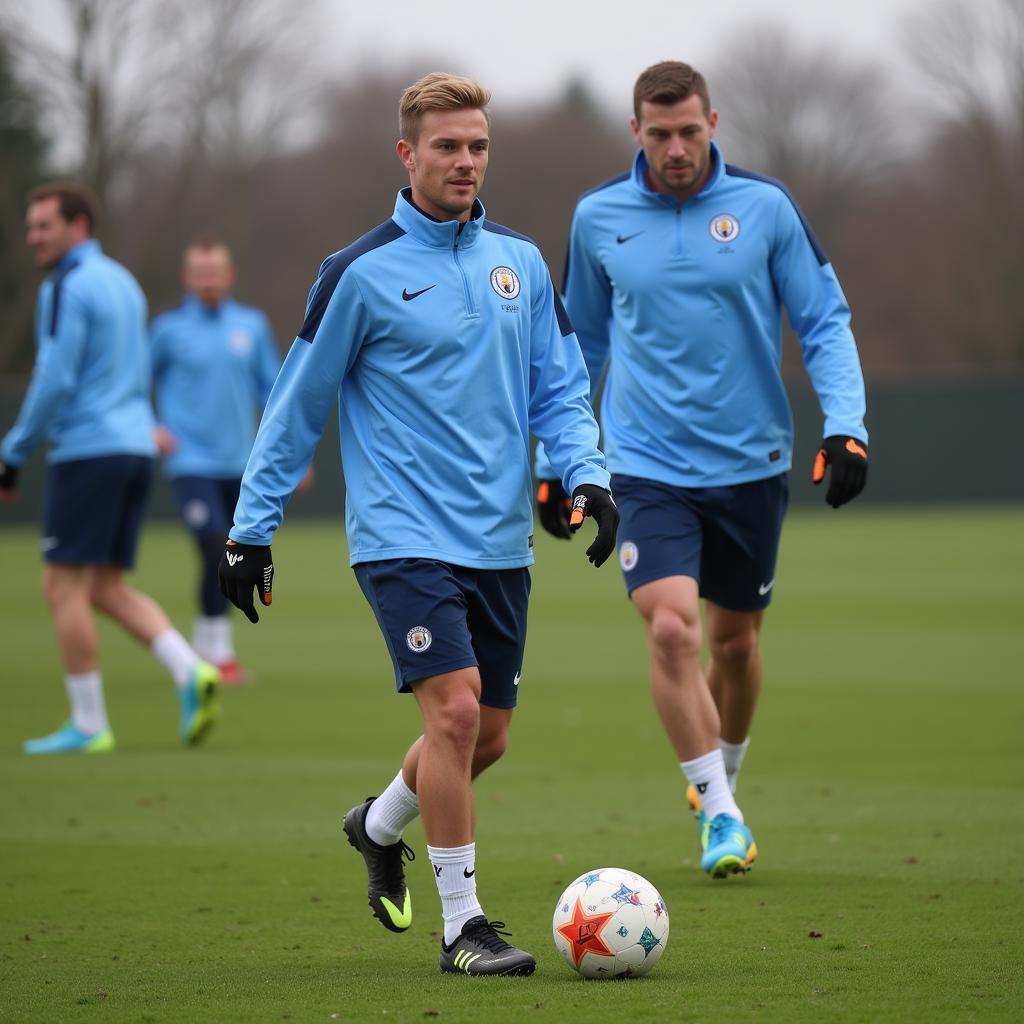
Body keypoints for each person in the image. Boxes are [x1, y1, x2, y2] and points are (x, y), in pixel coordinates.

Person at [217, 73, 618, 975]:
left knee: (489, 735)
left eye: (477, 145)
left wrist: (585, 477)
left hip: (500, 540)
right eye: (447, 146)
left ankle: (377, 824)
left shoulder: (519, 260)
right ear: (408, 154)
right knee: (458, 713)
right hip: (400, 538)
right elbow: (294, 408)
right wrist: (250, 530)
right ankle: (463, 927)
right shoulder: (357, 273)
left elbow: (558, 388)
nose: (466, 160)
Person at [535, 61, 868, 879]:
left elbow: (823, 320)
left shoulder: (765, 208)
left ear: (713, 122)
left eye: (689, 131)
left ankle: (725, 775)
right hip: (645, 463)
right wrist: (560, 459)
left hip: (751, 462)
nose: (676, 148)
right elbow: (583, 347)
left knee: (735, 645)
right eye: (660, 134)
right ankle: (718, 812)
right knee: (673, 626)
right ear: (635, 134)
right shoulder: (598, 216)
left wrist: (848, 426)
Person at [0, 183, 221, 754]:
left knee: (61, 586)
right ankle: (189, 668)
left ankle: (89, 722)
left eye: (44, 225)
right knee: (103, 586)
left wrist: (14, 451)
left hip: (89, 448)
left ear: (78, 226)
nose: (33, 237)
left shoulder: (67, 284)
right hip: (134, 447)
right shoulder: (122, 281)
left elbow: (55, 377)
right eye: (31, 227)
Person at [150, 238, 288, 685]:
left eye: (215, 272)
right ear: (187, 278)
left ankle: (207, 652)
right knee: (214, 545)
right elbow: (133, 382)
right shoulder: (168, 330)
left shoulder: (250, 325)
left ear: (229, 276)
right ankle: (219, 653)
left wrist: (291, 455)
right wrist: (150, 425)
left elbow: (275, 392)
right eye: (199, 273)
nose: (208, 280)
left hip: (240, 462)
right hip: (190, 461)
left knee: (230, 552)